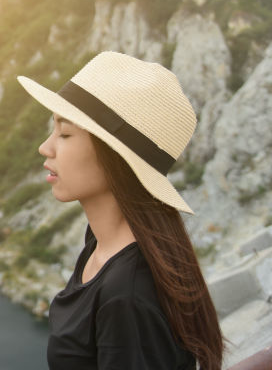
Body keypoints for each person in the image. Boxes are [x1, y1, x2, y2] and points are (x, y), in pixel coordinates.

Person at [16, 51, 224, 369]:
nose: (46, 147)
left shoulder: (126, 295)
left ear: (115, 156)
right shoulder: (102, 244)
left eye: (66, 133)